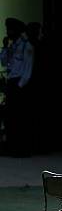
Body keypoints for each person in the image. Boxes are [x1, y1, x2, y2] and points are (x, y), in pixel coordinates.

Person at [0, 18, 33, 156]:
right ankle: (11, 146)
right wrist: (5, 48)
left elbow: (27, 68)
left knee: (20, 118)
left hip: (19, 84)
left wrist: (19, 86)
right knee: (9, 117)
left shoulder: (26, 46)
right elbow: (3, 62)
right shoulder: (12, 46)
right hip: (11, 82)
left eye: (11, 29)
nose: (8, 32)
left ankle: (20, 148)